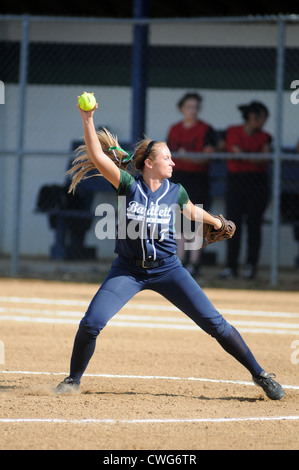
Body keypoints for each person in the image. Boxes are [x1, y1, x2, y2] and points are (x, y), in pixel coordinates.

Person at [55, 94, 284, 401]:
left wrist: (216, 222)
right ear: (149, 164)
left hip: (168, 269)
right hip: (128, 270)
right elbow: (98, 156)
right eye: (167, 158)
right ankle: (72, 380)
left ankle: (260, 374)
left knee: (215, 324)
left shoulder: (175, 191)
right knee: (92, 322)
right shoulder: (127, 185)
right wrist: (88, 119)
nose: (173, 162)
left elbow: (191, 210)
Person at [219, 101, 272, 280]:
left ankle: (251, 266)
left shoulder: (265, 136)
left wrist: (244, 155)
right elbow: (235, 151)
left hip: (257, 183)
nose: (263, 122)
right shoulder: (233, 131)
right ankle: (231, 266)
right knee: (232, 225)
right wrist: (250, 156)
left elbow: (263, 159)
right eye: (261, 118)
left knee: (254, 225)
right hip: (236, 182)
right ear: (252, 117)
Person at [167, 92, 216, 277]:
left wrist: (188, 157)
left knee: (196, 221)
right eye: (189, 107)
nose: (192, 111)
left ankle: (194, 264)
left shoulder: (206, 129)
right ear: (182, 109)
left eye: (195, 107)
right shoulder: (174, 129)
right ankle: (179, 261)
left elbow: (207, 156)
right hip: (179, 178)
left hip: (198, 179)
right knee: (179, 222)